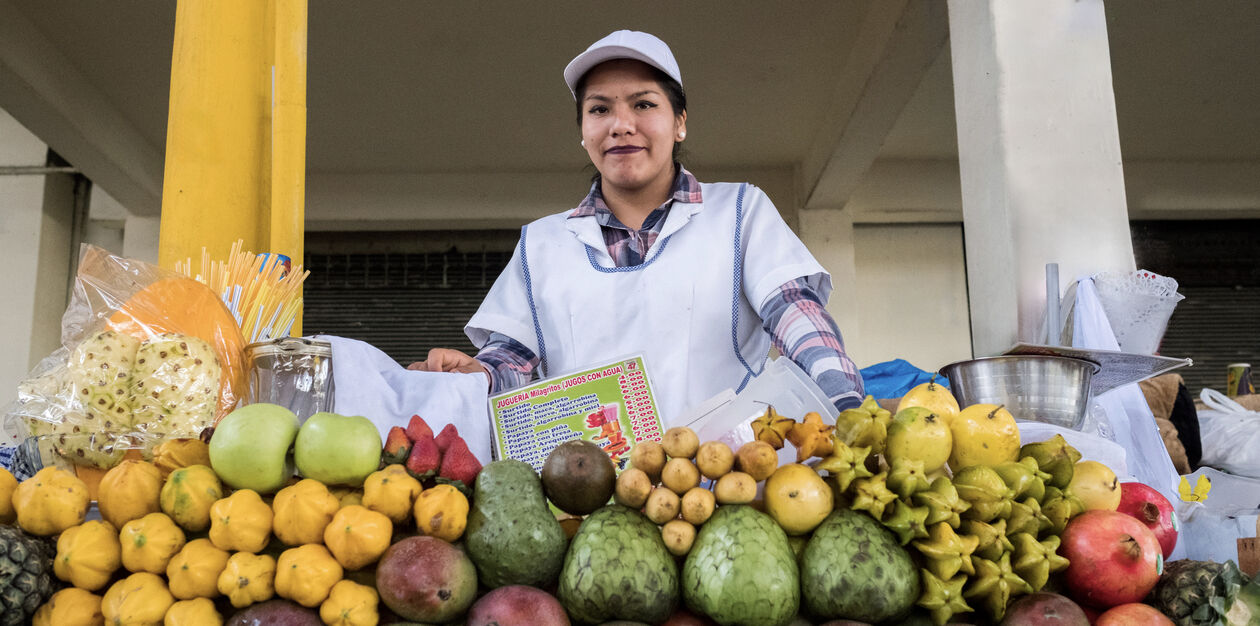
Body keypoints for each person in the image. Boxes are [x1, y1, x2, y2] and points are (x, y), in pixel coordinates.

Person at [411, 30, 864, 425]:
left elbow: (795, 314)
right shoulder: (542, 245)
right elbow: (514, 359)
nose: (621, 125)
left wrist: (849, 411)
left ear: (679, 123)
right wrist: (478, 375)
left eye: (644, 104)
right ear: (582, 131)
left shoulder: (740, 212)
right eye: (599, 110)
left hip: (724, 485)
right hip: (589, 498)